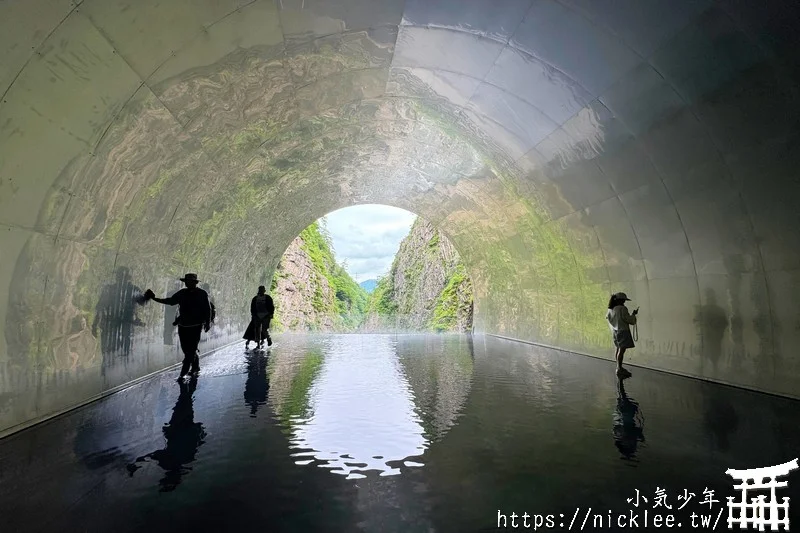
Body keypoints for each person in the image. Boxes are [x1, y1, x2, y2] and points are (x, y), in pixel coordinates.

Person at [144, 273, 212, 381]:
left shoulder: (202, 294)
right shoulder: (182, 293)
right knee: (187, 349)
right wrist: (154, 298)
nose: (186, 283)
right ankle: (196, 367)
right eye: (186, 281)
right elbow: (170, 301)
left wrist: (208, 323)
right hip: (183, 326)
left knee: (191, 350)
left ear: (195, 282)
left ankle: (182, 374)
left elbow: (208, 309)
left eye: (189, 281)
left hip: (196, 326)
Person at [606, 292, 638, 377]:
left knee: (618, 349)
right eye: (624, 300)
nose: (624, 302)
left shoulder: (610, 309)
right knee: (622, 350)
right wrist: (633, 315)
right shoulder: (622, 308)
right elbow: (628, 319)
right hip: (623, 331)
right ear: (621, 300)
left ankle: (618, 367)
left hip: (615, 331)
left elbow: (609, 319)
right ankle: (619, 368)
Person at [248, 285, 274, 351]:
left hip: (265, 316)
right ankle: (259, 344)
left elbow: (271, 307)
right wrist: (253, 315)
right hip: (258, 316)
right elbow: (252, 308)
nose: (262, 291)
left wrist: (271, 314)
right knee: (258, 330)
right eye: (261, 290)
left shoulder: (267, 298)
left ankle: (267, 339)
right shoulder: (256, 298)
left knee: (263, 330)